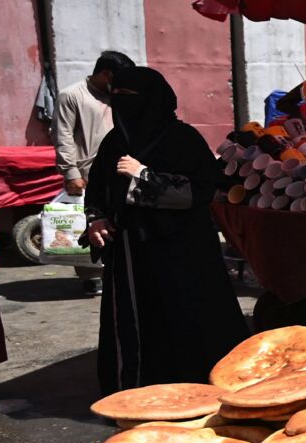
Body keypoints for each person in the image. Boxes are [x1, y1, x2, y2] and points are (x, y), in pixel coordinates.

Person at [83, 67, 249, 395]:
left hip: (181, 251)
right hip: (130, 254)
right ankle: (134, 390)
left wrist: (144, 176)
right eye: (115, 98)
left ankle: (201, 391)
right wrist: (96, 220)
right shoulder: (114, 142)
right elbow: (98, 190)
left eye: (129, 98)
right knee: (136, 324)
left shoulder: (183, 140)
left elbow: (200, 191)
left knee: (187, 319)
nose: (120, 105)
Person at [54, 50, 135, 296]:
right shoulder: (72, 95)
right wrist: (70, 173)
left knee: (117, 224)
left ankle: (117, 271)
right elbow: (63, 136)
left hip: (122, 169)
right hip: (87, 171)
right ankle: (91, 277)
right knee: (90, 221)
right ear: (106, 74)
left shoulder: (117, 96)